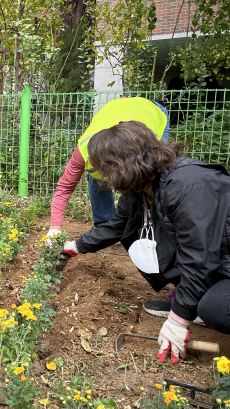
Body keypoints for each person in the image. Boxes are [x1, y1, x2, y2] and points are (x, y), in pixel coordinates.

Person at [61, 121, 230, 365]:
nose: (102, 176)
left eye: (103, 168)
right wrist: (76, 246)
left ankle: (198, 303)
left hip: (219, 260)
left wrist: (178, 320)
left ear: (120, 163)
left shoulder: (186, 185)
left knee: (217, 310)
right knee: (155, 247)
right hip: (219, 259)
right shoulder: (143, 186)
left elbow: (199, 258)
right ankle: (195, 298)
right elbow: (118, 225)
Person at [45, 97, 170, 239]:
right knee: (94, 177)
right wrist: (54, 230)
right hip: (115, 108)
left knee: (153, 174)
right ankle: (105, 226)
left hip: (152, 112)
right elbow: (64, 187)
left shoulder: (140, 149)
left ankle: (152, 227)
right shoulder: (83, 152)